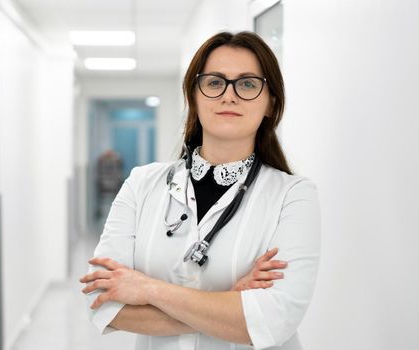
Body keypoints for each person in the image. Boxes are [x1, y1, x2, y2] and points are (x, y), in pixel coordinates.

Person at [80, 31, 321, 350]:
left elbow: (273, 320)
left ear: (270, 104)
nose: (229, 96)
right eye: (214, 82)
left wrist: (148, 290)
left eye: (248, 84)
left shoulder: (293, 196)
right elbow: (102, 303)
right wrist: (228, 305)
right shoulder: (142, 184)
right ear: (194, 96)